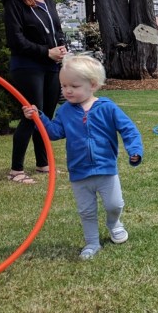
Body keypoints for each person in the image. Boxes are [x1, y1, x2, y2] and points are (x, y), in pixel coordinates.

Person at [23, 54, 143, 260]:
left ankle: (114, 223)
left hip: (106, 169)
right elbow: (53, 132)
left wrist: (134, 150)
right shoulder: (65, 112)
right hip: (79, 173)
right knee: (86, 211)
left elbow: (128, 129)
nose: (67, 90)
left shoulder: (107, 107)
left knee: (114, 205)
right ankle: (92, 243)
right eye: (64, 85)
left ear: (93, 85)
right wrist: (39, 117)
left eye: (74, 86)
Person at [4, 0, 67, 184]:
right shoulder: (14, 0)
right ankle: (16, 170)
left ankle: (43, 164)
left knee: (46, 116)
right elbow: (15, 40)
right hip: (27, 66)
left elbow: (56, 29)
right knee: (32, 115)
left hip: (51, 65)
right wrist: (45, 51)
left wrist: (61, 47)